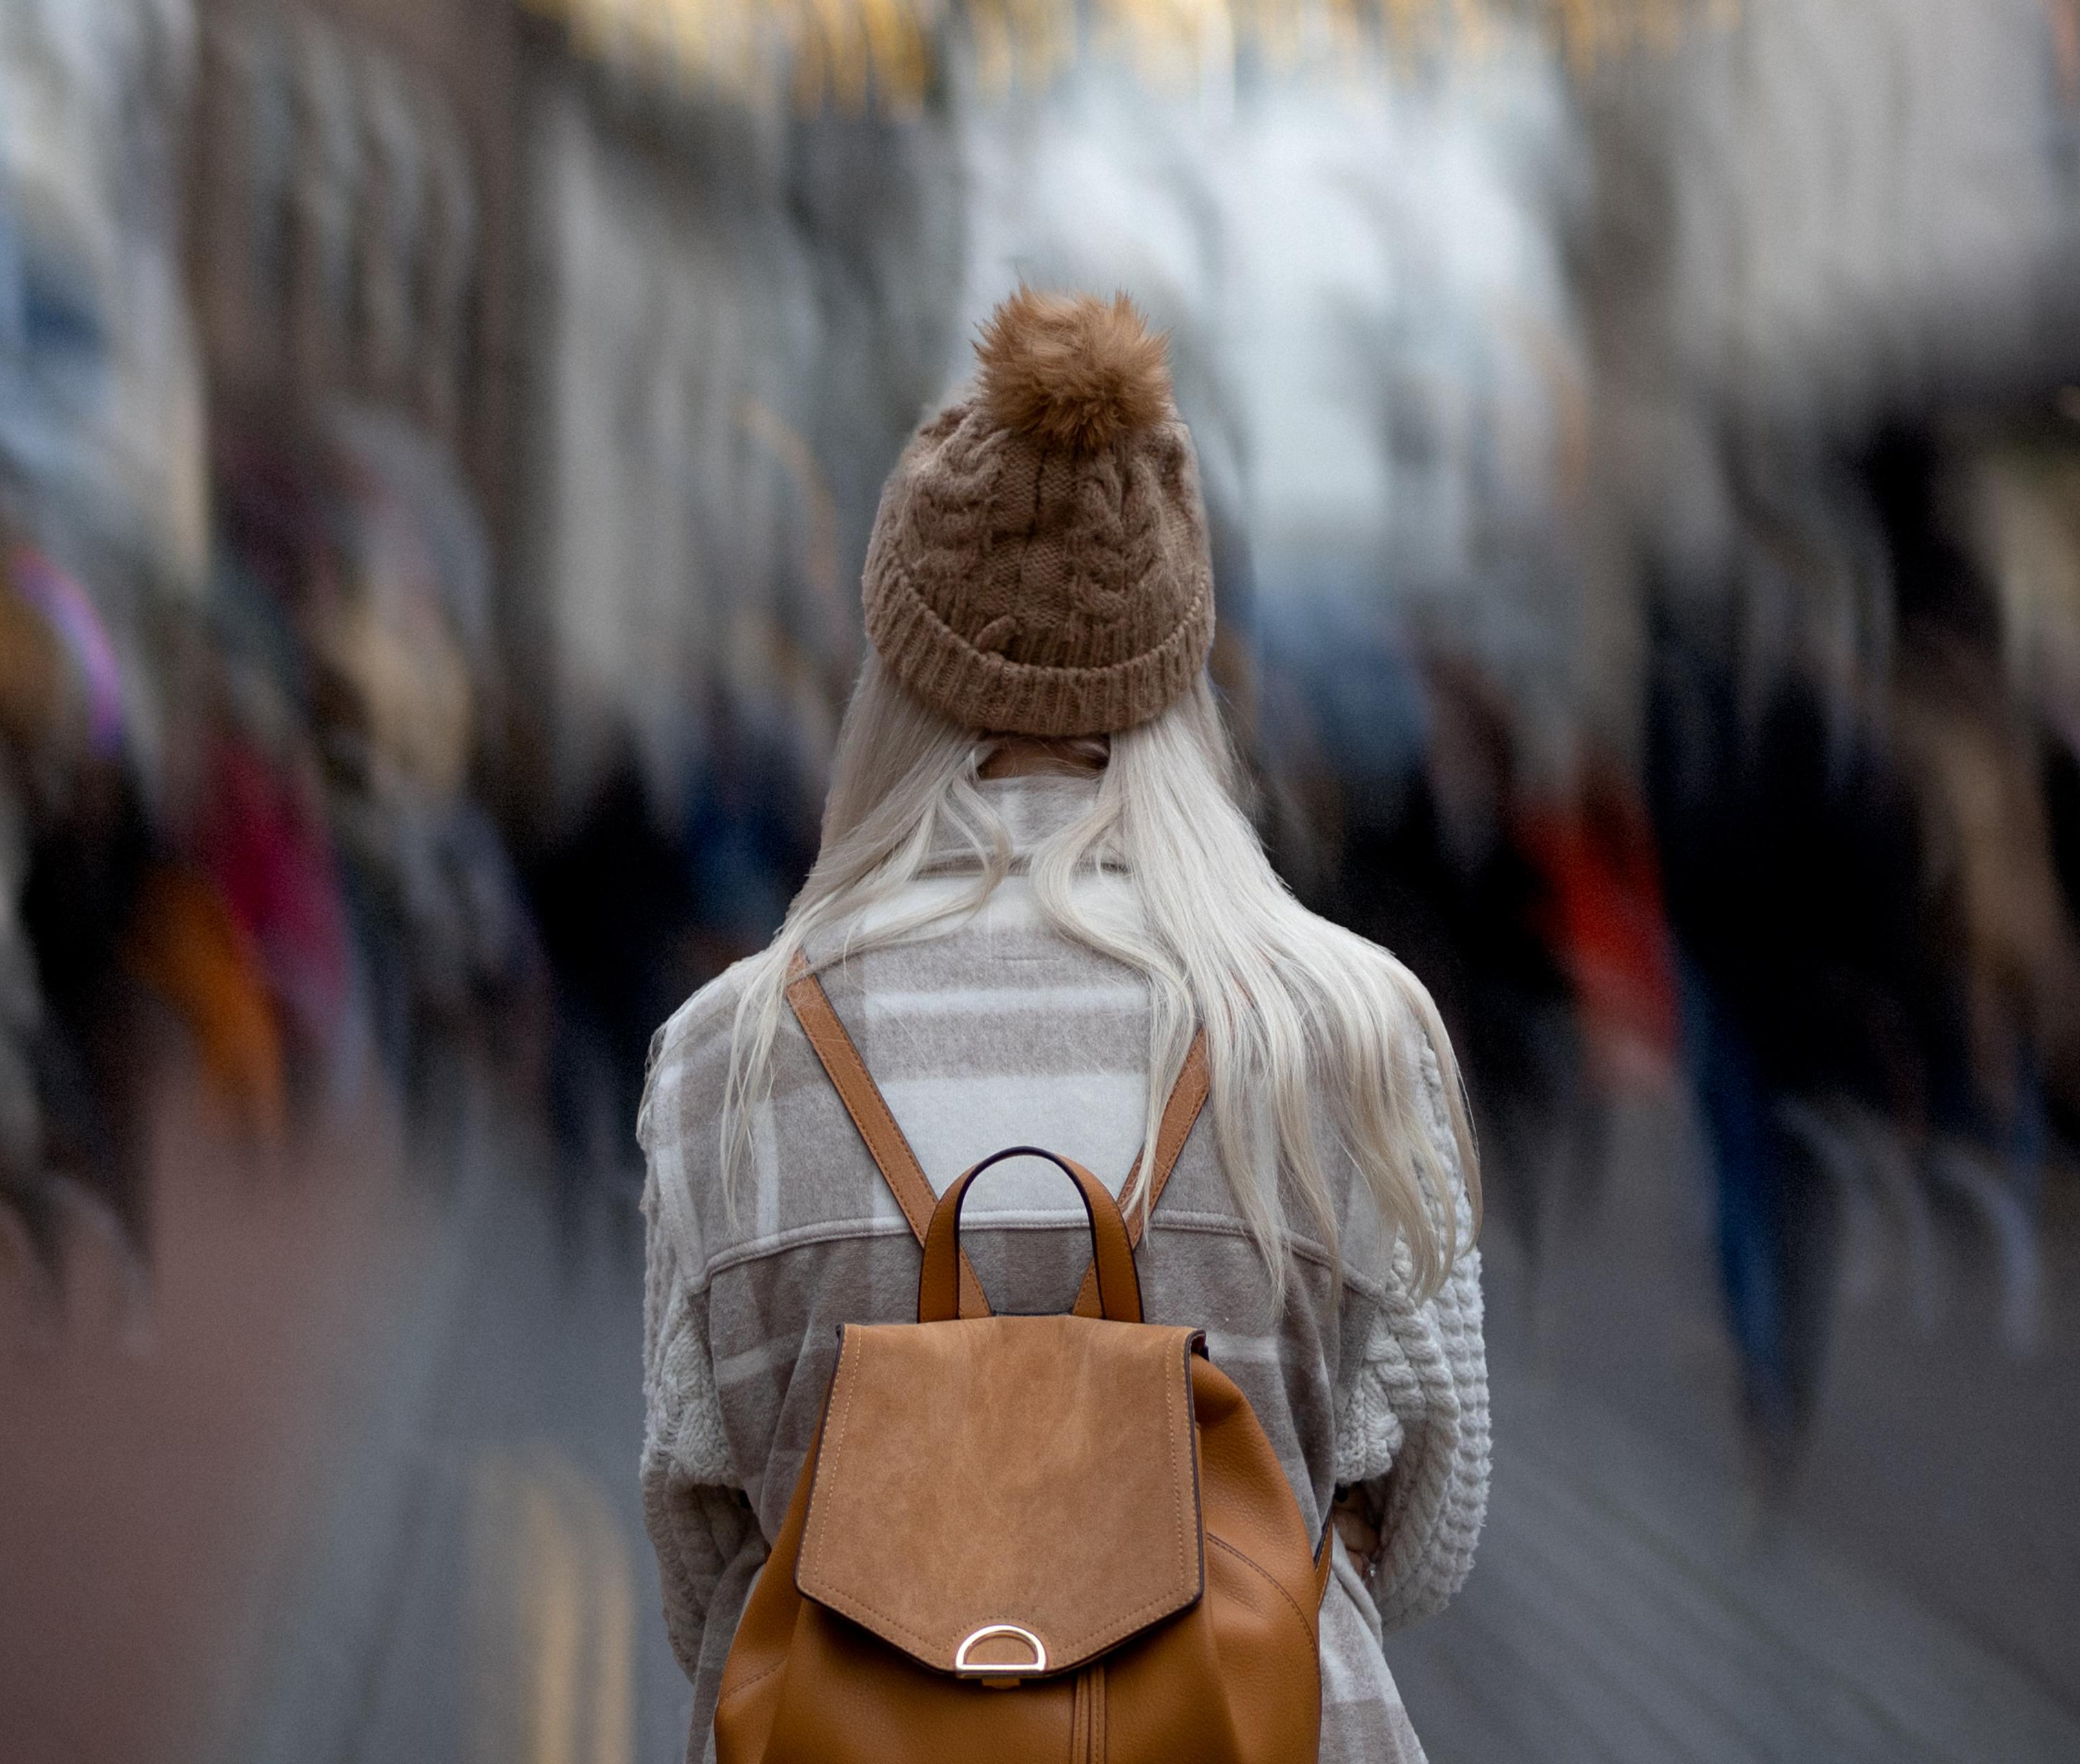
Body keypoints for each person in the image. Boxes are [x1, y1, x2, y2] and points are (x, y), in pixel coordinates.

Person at [637, 287, 1491, 1762]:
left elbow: (706, 1554)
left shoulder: (733, 1053)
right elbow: (1424, 1531)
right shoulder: (1351, 1029)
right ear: (1178, 661)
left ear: (895, 666)